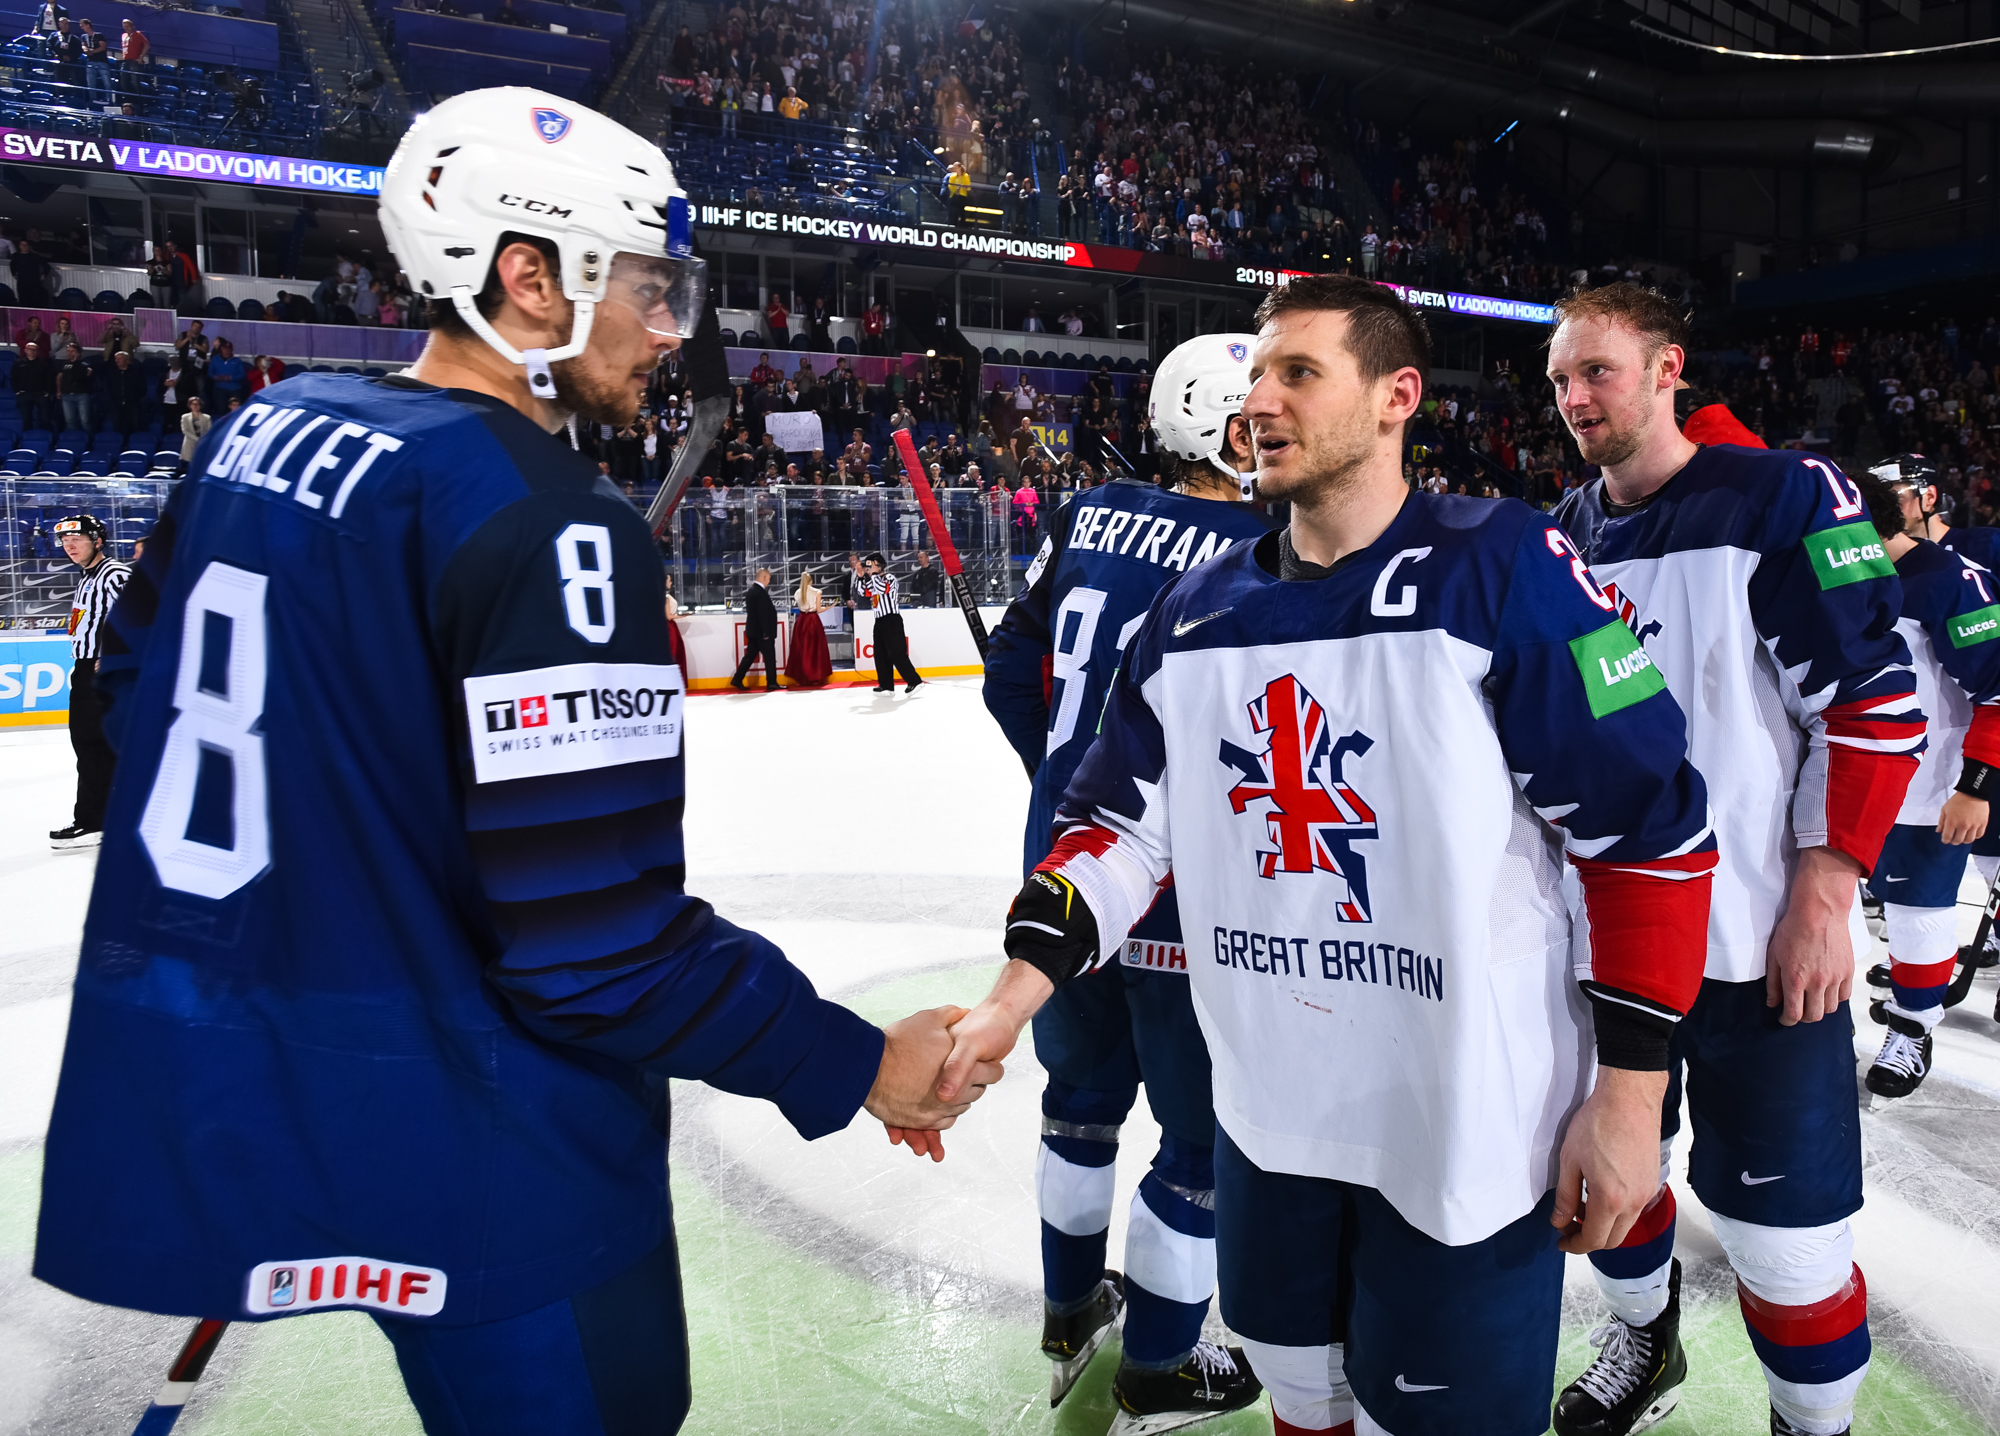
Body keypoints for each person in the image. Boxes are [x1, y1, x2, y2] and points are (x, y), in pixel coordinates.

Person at [34, 88, 993, 1436]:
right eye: (648, 288)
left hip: (281, 1090)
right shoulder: (558, 529)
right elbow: (597, 951)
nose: (672, 329)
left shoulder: (260, 433)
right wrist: (852, 1063)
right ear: (529, 278)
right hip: (498, 1151)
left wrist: (354, 881)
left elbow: (130, 709)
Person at [927, 275, 1720, 1436]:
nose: (1258, 400)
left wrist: (1629, 1099)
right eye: (1252, 375)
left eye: (1297, 371)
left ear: (1397, 395)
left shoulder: (1502, 567)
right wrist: (1008, 999)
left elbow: (1648, 832)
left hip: (1467, 1132)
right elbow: (1110, 827)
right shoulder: (1194, 614)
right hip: (1272, 1121)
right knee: (1301, 1400)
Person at [1547, 283, 1919, 1436]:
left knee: (1786, 1239)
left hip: (1756, 948)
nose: (1570, 398)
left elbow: (1875, 704)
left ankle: (1811, 1425)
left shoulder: (1782, 495)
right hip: (1604, 951)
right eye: (1558, 380)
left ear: (1666, 369)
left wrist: (1824, 886)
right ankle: (1643, 1340)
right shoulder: (1563, 529)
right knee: (1609, 1183)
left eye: (1595, 371)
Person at [981, 332, 1280, 1423]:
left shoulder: (1088, 511)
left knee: (1077, 1106)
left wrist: (1068, 786)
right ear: (1219, 422)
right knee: (1196, 1148)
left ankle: (1068, 1311)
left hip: (1060, 884)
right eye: (1255, 411)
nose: (1272, 427)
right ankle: (1157, 1365)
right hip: (1182, 895)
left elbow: (1010, 677)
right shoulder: (1266, 543)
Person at [47, 513, 130, 850]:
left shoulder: (113, 573)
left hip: (100, 675)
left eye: (77, 539)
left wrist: (116, 656)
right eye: (65, 541)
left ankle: (92, 822)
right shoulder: (87, 578)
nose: (69, 545)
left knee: (92, 747)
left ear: (98, 540)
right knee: (92, 748)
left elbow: (144, 615)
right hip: (85, 670)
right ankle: (104, 817)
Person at [853, 550, 920, 693]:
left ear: (879, 566)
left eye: (870, 567)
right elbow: (863, 592)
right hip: (879, 621)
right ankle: (886, 685)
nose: (868, 570)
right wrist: (860, 577)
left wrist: (875, 574)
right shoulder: (873, 580)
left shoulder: (889, 578)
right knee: (880, 654)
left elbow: (883, 589)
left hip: (891, 620)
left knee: (897, 653)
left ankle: (915, 681)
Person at [731, 566, 780, 690]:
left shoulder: (753, 590)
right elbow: (762, 614)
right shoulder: (759, 592)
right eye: (768, 578)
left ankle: (737, 678)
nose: (769, 581)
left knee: (750, 656)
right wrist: (765, 632)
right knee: (769, 657)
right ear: (763, 577)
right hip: (762, 633)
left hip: (754, 631)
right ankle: (771, 682)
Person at [786, 567, 832, 687]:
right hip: (813, 620)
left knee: (802, 648)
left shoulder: (797, 592)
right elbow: (819, 609)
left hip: (801, 621)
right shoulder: (817, 592)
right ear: (811, 581)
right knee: (816, 648)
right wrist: (830, 607)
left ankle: (802, 676)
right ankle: (817, 675)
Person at [105, 349, 148, 438]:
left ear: (126, 360)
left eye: (120, 359)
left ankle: (135, 443)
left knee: (135, 424)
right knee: (117, 424)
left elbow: (142, 388)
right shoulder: (111, 373)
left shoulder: (135, 372)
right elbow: (107, 387)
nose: (117, 361)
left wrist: (135, 397)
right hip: (116, 403)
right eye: (116, 359)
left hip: (132, 403)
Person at [12, 341, 53, 432]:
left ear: (37, 351)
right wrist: (17, 391)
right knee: (26, 420)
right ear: (25, 350)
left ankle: (47, 438)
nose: (32, 351)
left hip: (41, 395)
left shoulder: (44, 364)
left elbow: (49, 379)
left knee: (45, 419)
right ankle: (27, 439)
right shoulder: (18, 363)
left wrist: (48, 392)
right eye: (30, 349)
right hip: (24, 394)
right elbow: (13, 378)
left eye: (34, 350)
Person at [56, 342, 94, 435]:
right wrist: (59, 390)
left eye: (72, 351)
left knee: (84, 420)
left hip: (81, 395)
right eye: (68, 351)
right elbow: (59, 377)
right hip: (67, 395)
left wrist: (76, 362)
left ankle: (88, 438)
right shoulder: (64, 364)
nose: (69, 353)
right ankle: (74, 439)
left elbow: (85, 376)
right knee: (70, 420)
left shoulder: (85, 364)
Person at [176, 393, 209, 467]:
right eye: (193, 404)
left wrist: (202, 439)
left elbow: (208, 430)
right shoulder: (185, 417)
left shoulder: (207, 417)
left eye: (197, 404)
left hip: (202, 443)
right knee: (189, 463)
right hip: (189, 442)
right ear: (190, 405)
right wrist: (197, 439)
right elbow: (185, 430)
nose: (195, 406)